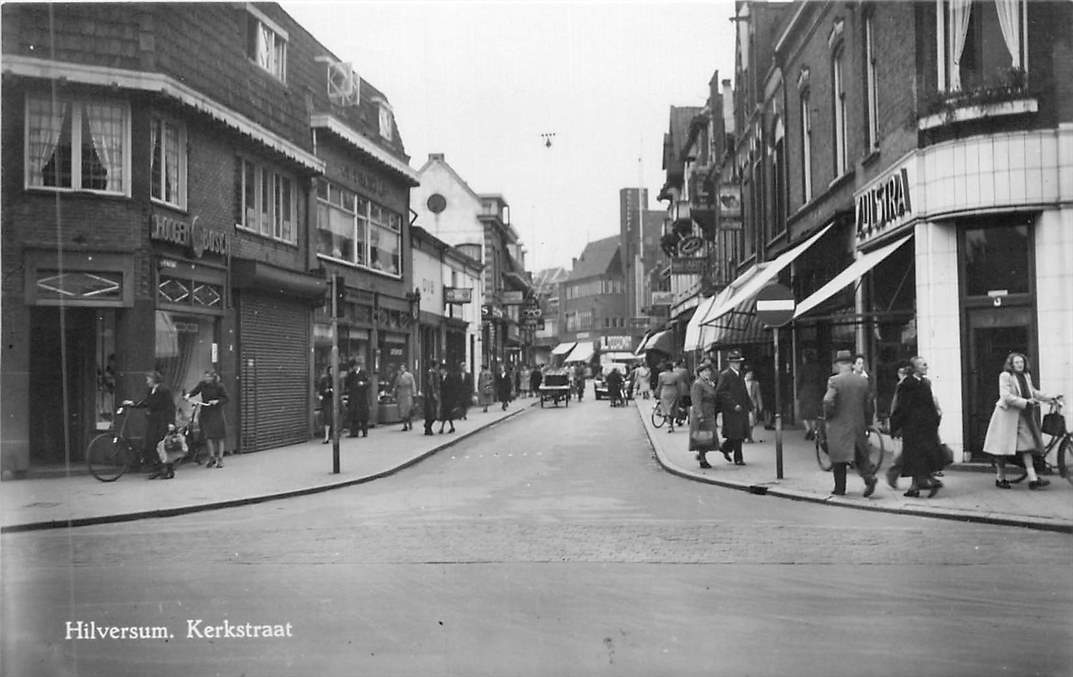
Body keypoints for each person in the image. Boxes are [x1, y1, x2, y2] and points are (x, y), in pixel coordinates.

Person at [982, 352, 1060, 490]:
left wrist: (1051, 397)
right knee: (1002, 449)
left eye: (1021, 362)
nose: (1019, 365)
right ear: (1011, 364)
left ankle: (1033, 479)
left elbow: (1034, 392)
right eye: (1016, 363)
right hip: (1006, 417)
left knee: (1027, 446)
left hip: (1023, 417)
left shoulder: (1026, 376)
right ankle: (1000, 478)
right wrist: (1026, 402)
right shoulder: (1005, 376)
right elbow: (1006, 396)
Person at [822, 350, 878, 497]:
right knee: (860, 455)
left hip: (839, 426)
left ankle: (840, 488)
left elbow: (828, 400)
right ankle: (869, 478)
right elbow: (867, 404)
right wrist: (866, 421)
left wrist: (829, 415)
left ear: (839, 364)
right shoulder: (862, 381)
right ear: (851, 364)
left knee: (839, 458)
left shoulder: (834, 381)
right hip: (858, 424)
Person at [889, 356, 943, 497]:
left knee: (916, 457)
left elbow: (928, 405)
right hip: (915, 427)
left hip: (918, 427)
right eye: (923, 365)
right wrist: (897, 425)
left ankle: (919, 486)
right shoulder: (908, 384)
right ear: (915, 368)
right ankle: (917, 486)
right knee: (916, 457)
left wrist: (935, 421)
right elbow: (902, 406)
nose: (926, 367)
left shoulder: (924, 383)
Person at [123, 371, 175, 472]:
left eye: (148, 379)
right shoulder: (151, 390)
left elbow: (170, 406)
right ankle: (158, 467)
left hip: (162, 419)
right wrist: (133, 403)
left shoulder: (164, 390)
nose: (147, 381)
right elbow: (146, 402)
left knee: (162, 444)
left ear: (154, 379)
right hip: (153, 420)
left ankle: (169, 470)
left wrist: (171, 422)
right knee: (151, 443)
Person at [715, 349, 753, 465]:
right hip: (731, 410)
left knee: (739, 433)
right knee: (736, 433)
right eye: (735, 362)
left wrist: (749, 404)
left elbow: (744, 390)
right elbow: (721, 391)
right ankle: (738, 458)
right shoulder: (725, 375)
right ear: (730, 363)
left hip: (742, 408)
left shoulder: (740, 374)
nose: (737, 364)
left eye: (739, 362)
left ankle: (725, 447)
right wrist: (732, 404)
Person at [186, 369, 229, 469]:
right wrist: (188, 395)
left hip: (216, 412)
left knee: (219, 436)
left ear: (212, 377)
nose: (205, 378)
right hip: (206, 412)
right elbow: (195, 390)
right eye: (204, 376)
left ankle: (220, 459)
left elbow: (226, 398)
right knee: (207, 435)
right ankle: (211, 457)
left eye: (207, 377)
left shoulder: (219, 386)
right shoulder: (202, 384)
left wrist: (217, 401)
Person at [689, 360, 719, 468]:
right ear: (700, 373)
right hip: (702, 414)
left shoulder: (707, 383)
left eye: (709, 371)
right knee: (702, 437)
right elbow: (696, 400)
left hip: (709, 413)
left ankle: (702, 455)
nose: (708, 373)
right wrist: (700, 415)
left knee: (708, 437)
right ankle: (702, 459)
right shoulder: (698, 384)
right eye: (705, 371)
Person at [797, 350, 824, 441]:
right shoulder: (818, 368)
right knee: (814, 413)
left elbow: (799, 381)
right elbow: (821, 381)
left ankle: (808, 429)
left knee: (804, 413)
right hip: (815, 391)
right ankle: (813, 430)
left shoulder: (802, 368)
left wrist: (798, 392)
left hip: (804, 391)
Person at [345, 359, 371, 438]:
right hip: (353, 397)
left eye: (356, 366)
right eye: (354, 366)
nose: (355, 367)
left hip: (362, 397)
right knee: (354, 415)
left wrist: (363, 383)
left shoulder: (364, 373)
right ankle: (354, 433)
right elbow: (347, 384)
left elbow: (369, 383)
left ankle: (364, 432)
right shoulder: (351, 374)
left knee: (363, 416)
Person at [657, 361, 681, 433]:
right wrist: (679, 394)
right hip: (673, 391)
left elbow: (659, 385)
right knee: (672, 409)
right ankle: (672, 425)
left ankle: (669, 426)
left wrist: (658, 393)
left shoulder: (661, 375)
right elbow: (678, 386)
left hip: (664, 391)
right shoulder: (676, 375)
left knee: (666, 409)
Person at [439, 362, 461, 434]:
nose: (440, 372)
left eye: (441, 370)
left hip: (449, 399)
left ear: (444, 370)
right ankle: (450, 427)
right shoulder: (440, 377)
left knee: (447, 414)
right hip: (443, 398)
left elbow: (454, 388)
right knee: (446, 414)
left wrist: (454, 399)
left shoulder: (450, 377)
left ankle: (443, 428)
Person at [744, 367, 764, 443]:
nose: (750, 375)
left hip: (752, 404)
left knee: (752, 422)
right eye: (749, 373)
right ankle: (746, 436)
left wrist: (760, 405)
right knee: (745, 422)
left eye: (752, 374)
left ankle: (750, 436)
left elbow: (758, 395)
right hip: (744, 404)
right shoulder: (741, 382)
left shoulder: (755, 384)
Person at [393, 364, 416, 431]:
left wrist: (414, 393)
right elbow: (396, 385)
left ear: (405, 368)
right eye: (400, 368)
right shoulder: (398, 376)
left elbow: (413, 384)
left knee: (408, 409)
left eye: (403, 368)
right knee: (402, 410)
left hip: (408, 393)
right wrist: (394, 393)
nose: (401, 369)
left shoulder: (409, 375)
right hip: (401, 394)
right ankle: (405, 425)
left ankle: (410, 422)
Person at [317, 366, 334, 444]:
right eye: (331, 370)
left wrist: (331, 390)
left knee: (333, 417)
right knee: (327, 417)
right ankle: (327, 436)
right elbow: (320, 390)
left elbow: (340, 389)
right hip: (327, 400)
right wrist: (323, 393)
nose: (332, 372)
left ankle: (332, 434)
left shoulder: (336, 379)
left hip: (334, 400)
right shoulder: (325, 379)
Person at [422, 366, 441, 436]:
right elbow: (431, 384)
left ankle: (427, 428)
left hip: (429, 396)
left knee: (430, 414)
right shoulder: (432, 374)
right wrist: (434, 394)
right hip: (430, 397)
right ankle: (428, 427)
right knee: (433, 414)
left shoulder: (432, 373)